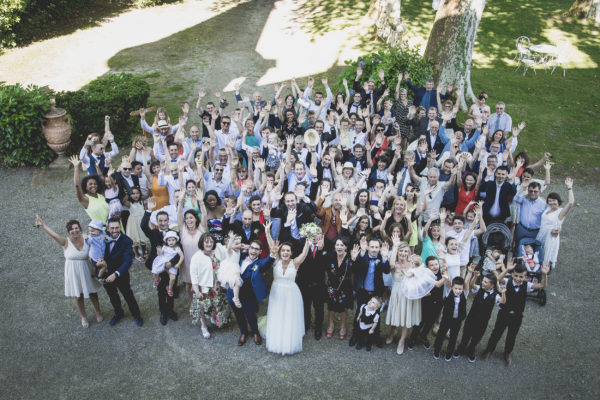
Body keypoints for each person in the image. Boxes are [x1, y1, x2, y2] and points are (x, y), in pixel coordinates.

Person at [35, 216, 103, 328]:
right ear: (68, 231)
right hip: (73, 272)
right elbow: (54, 235)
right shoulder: (65, 241)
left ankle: (98, 312)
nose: (74, 230)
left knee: (93, 293)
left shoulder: (87, 239)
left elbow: (99, 244)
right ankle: (83, 316)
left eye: (76, 228)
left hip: (87, 268)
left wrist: (96, 267)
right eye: (71, 229)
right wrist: (42, 225)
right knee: (78, 296)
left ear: (80, 229)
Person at [482, 260, 550, 366]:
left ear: (525, 277)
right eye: (516, 275)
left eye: (521, 277)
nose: (518, 279)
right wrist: (507, 270)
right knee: (496, 333)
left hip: (517, 315)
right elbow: (497, 280)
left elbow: (542, 285)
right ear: (512, 274)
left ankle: (507, 353)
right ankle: (489, 350)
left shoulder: (527, 285)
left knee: (512, 335)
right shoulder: (507, 281)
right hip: (504, 313)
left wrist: (545, 274)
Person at [264, 237, 310, 355]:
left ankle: (289, 341)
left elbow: (304, 254)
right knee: (277, 314)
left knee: (289, 316)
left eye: (288, 250)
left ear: (291, 253)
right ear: (280, 252)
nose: (285, 252)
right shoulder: (276, 261)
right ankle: (277, 339)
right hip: (277, 293)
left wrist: (308, 240)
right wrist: (267, 232)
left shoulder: (295, 263)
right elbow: (272, 248)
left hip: (291, 294)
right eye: (283, 250)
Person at [95, 217, 143, 327]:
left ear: (120, 227)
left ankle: (136, 315)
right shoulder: (101, 237)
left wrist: (116, 274)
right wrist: (99, 273)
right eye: (112, 228)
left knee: (128, 295)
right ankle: (118, 313)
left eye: (117, 227)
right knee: (112, 296)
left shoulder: (127, 241)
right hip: (106, 274)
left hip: (121, 274)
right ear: (107, 228)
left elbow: (127, 262)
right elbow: (94, 255)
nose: (114, 230)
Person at [228, 236, 275, 346]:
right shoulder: (240, 256)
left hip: (248, 295)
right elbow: (230, 250)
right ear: (249, 249)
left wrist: (272, 255)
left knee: (250, 315)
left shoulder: (259, 263)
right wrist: (243, 246)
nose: (253, 251)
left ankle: (255, 332)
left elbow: (267, 262)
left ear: (260, 252)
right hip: (232, 293)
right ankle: (243, 332)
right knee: (238, 314)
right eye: (252, 248)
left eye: (256, 249)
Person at [141, 200, 181, 325]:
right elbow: (143, 226)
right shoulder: (154, 233)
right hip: (159, 268)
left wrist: (172, 263)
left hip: (172, 267)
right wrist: (148, 210)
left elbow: (180, 251)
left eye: (165, 220)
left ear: (168, 221)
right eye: (160, 221)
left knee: (171, 289)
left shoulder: (174, 234)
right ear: (157, 222)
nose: (163, 223)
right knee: (161, 291)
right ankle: (163, 312)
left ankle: (170, 310)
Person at [349, 237, 391, 347]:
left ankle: (375, 337)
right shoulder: (363, 256)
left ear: (379, 248)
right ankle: (356, 335)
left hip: (376, 292)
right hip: (363, 290)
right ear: (367, 247)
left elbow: (387, 270)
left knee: (376, 315)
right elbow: (355, 269)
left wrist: (385, 257)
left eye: (376, 247)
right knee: (360, 312)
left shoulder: (382, 258)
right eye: (372, 246)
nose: (374, 249)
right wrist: (361, 253)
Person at [456, 266, 503, 362]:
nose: (483, 283)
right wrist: (475, 276)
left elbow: (503, 301)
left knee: (477, 336)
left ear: (492, 285)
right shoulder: (479, 289)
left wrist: (504, 293)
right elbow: (472, 284)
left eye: (486, 282)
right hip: (472, 317)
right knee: (466, 333)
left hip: (483, 321)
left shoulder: (496, 296)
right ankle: (461, 347)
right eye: (483, 281)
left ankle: (471, 349)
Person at [189, 233, 231, 339]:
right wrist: (197, 291)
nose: (209, 244)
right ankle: (204, 327)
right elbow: (193, 275)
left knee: (215, 305)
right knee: (202, 308)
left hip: (216, 286)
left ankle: (213, 318)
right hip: (203, 288)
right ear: (202, 243)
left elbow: (228, 253)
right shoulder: (196, 257)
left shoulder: (216, 252)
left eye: (211, 242)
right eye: (206, 241)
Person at [408, 256, 448, 349]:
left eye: (436, 264)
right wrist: (423, 293)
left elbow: (445, 274)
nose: (435, 267)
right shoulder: (425, 275)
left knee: (430, 322)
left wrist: (445, 268)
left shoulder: (441, 273)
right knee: (421, 321)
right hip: (426, 302)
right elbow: (418, 286)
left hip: (438, 302)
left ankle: (423, 336)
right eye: (432, 265)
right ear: (427, 267)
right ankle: (413, 338)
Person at [536, 178, 574, 269]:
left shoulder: (560, 213)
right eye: (550, 200)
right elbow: (537, 195)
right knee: (537, 257)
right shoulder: (547, 208)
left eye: (554, 200)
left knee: (546, 260)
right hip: (541, 234)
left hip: (550, 237)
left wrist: (570, 188)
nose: (552, 202)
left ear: (558, 201)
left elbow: (571, 203)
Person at [296, 230, 327, 340]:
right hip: (304, 282)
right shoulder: (301, 244)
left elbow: (325, 264)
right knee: (305, 305)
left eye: (317, 233)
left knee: (319, 307)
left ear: (321, 235)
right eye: (311, 233)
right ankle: (306, 322)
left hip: (318, 283)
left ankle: (318, 326)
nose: (314, 236)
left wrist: (320, 249)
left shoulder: (325, 245)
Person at [325, 236, 356, 339]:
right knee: (331, 307)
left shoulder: (350, 257)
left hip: (345, 287)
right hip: (332, 286)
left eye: (342, 245)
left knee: (343, 308)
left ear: (346, 247)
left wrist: (355, 260)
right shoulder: (330, 256)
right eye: (337, 245)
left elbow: (356, 271)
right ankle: (331, 324)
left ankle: (343, 326)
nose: (339, 247)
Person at [433, 276, 467, 361]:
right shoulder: (449, 292)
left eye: (460, 289)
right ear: (452, 287)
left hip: (457, 320)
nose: (458, 291)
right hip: (446, 319)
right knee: (441, 334)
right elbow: (448, 282)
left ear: (463, 289)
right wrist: (445, 269)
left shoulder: (464, 294)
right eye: (456, 288)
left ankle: (449, 352)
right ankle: (437, 350)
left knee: (453, 337)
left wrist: (469, 272)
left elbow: (467, 283)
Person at [70, 155, 109, 223]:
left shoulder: (101, 195)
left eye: (95, 184)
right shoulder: (85, 199)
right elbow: (77, 185)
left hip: (114, 227)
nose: (93, 186)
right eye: (90, 184)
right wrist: (76, 167)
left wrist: (97, 167)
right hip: (101, 230)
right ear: (85, 186)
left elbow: (102, 178)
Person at [151, 231, 184, 297]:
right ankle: (157, 279)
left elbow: (182, 256)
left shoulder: (177, 248)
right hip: (163, 261)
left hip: (171, 264)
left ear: (176, 240)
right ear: (166, 241)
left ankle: (169, 288)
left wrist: (178, 264)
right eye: (169, 240)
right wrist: (158, 250)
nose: (171, 242)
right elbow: (160, 253)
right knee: (154, 271)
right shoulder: (165, 247)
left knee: (173, 278)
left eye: (173, 240)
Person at [216, 232, 243, 308]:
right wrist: (231, 239)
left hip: (234, 268)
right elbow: (228, 247)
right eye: (236, 244)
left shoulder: (238, 250)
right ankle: (236, 298)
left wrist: (242, 246)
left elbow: (241, 246)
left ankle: (235, 297)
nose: (239, 245)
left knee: (235, 283)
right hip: (230, 268)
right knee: (236, 283)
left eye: (239, 243)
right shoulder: (230, 251)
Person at [123, 187, 148, 262]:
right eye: (133, 194)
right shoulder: (129, 203)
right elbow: (123, 201)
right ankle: (136, 254)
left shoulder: (141, 201)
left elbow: (148, 195)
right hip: (133, 222)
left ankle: (144, 252)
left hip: (142, 221)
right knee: (134, 240)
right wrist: (127, 194)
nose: (135, 195)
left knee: (143, 238)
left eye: (137, 193)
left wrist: (149, 188)